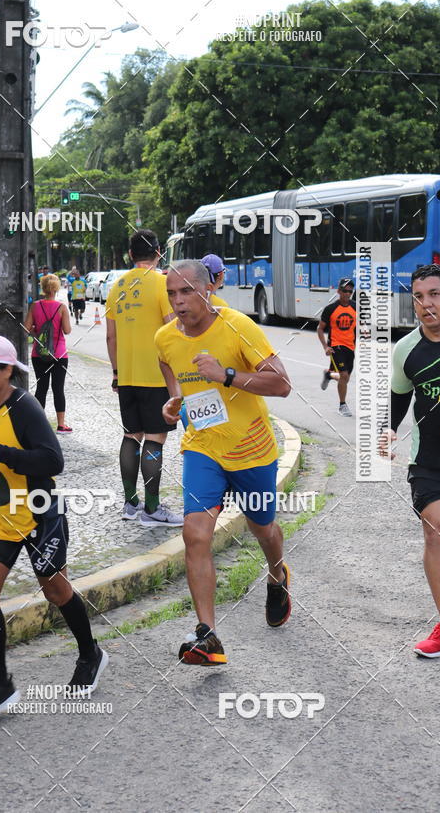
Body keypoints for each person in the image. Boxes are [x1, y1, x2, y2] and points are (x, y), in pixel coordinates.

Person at [155, 260, 292, 665]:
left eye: (186, 291)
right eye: (171, 294)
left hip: (251, 449)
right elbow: (170, 368)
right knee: (195, 534)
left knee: (262, 529)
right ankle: (207, 635)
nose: (178, 301)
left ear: (208, 289)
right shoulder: (165, 338)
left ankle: (277, 574)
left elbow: (282, 383)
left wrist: (226, 375)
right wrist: (174, 402)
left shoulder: (237, 327)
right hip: (203, 449)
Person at [0, 334, 108, 720]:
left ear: (6, 370)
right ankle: (0, 684)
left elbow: (52, 460)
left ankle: (90, 654)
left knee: (56, 591)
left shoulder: (25, 407)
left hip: (38, 515)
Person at [381, 263, 440, 658]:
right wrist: (386, 429)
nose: (426, 303)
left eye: (434, 294)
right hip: (431, 461)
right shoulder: (406, 349)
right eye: (418, 296)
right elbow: (398, 397)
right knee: (435, 531)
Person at [106, 229, 183, 527]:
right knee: (155, 439)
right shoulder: (163, 284)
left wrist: (116, 372)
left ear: (130, 254)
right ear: (159, 252)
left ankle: (130, 503)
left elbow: (111, 336)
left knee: (131, 435)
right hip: (156, 376)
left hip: (126, 376)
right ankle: (152, 508)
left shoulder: (116, 286)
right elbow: (172, 329)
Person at [24, 273, 72, 434]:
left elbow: (26, 328)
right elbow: (67, 330)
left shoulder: (35, 306)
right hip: (59, 354)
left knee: (41, 388)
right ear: (56, 289)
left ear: (43, 288)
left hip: (39, 354)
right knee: (58, 389)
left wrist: (36, 332)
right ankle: (61, 425)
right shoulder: (61, 308)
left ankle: (38, 424)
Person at [318, 278, 356, 416]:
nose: (348, 294)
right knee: (344, 375)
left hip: (350, 347)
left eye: (350, 291)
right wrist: (325, 347)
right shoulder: (330, 309)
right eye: (345, 291)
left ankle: (329, 375)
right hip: (335, 347)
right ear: (339, 291)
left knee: (345, 378)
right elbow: (320, 329)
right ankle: (342, 405)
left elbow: (358, 325)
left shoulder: (355, 307)